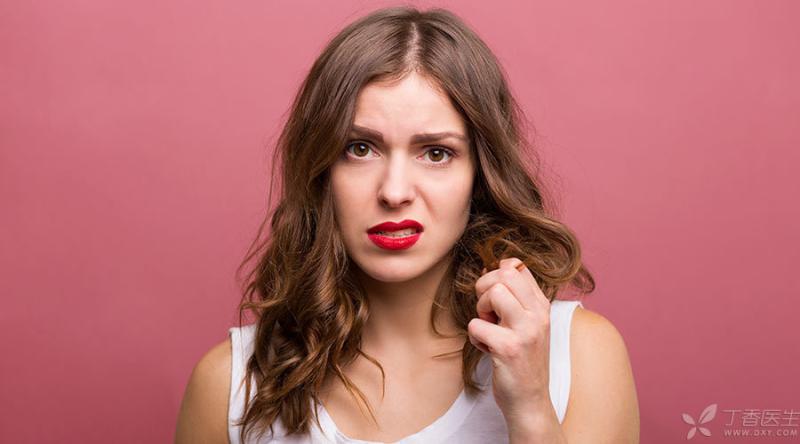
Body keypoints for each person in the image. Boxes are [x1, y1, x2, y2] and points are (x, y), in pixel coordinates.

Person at [176, 6, 639, 444]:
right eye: (360, 148)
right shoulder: (230, 387)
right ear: (321, 171)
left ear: (480, 176)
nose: (394, 192)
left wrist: (532, 408)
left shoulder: (579, 357)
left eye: (436, 153)